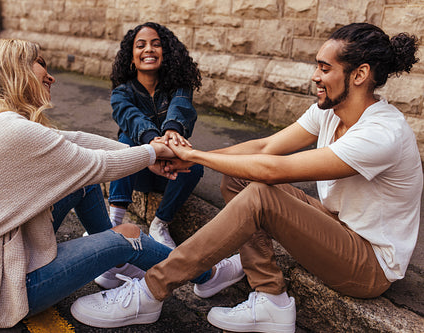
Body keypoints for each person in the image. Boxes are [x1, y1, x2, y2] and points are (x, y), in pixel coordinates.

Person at [72, 23, 422, 332]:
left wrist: (193, 156)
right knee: (238, 180)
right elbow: (266, 145)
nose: (315, 76)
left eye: (325, 68)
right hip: (338, 225)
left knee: (260, 193)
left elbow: (272, 169)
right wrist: (184, 160)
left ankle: (151, 290)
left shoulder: (382, 132)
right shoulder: (329, 112)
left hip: (369, 264)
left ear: (359, 74)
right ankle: (271, 298)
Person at [0, 38, 243, 328]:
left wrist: (152, 158)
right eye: (41, 64)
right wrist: (155, 152)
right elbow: (95, 164)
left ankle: (113, 266)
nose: (51, 77)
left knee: (82, 185)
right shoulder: (10, 130)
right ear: (15, 71)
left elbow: (78, 141)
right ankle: (208, 273)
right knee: (129, 235)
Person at [107, 22, 204, 249]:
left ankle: (159, 225)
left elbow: (180, 107)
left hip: (169, 173)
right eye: (141, 45)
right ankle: (113, 221)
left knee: (195, 164)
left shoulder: (179, 87)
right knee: (125, 143)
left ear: (166, 54)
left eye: (156, 44)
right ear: (131, 58)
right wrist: (152, 144)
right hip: (137, 169)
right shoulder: (122, 93)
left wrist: (172, 130)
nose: (149, 49)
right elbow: (131, 118)